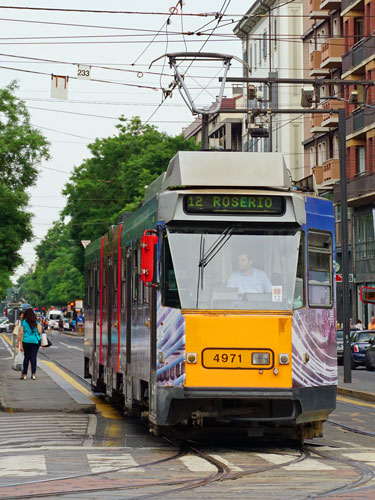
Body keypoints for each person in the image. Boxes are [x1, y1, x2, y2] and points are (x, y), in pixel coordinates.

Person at [16, 308, 43, 380]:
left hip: (26, 341)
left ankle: (24, 375)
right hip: (35, 341)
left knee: (26, 357)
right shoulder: (36, 322)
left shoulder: (23, 322)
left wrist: (19, 343)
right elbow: (40, 331)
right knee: (33, 358)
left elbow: (21, 333)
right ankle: (33, 374)